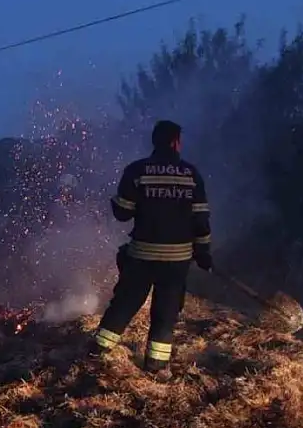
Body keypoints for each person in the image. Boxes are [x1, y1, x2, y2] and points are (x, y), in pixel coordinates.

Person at [89, 120, 213, 372]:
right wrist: (203, 252)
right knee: (166, 312)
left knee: (125, 303)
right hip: (177, 259)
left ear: (155, 142)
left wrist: (116, 201)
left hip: (142, 255)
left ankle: (97, 352)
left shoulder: (138, 171)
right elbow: (200, 219)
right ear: (176, 142)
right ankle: (156, 365)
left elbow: (123, 213)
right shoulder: (191, 174)